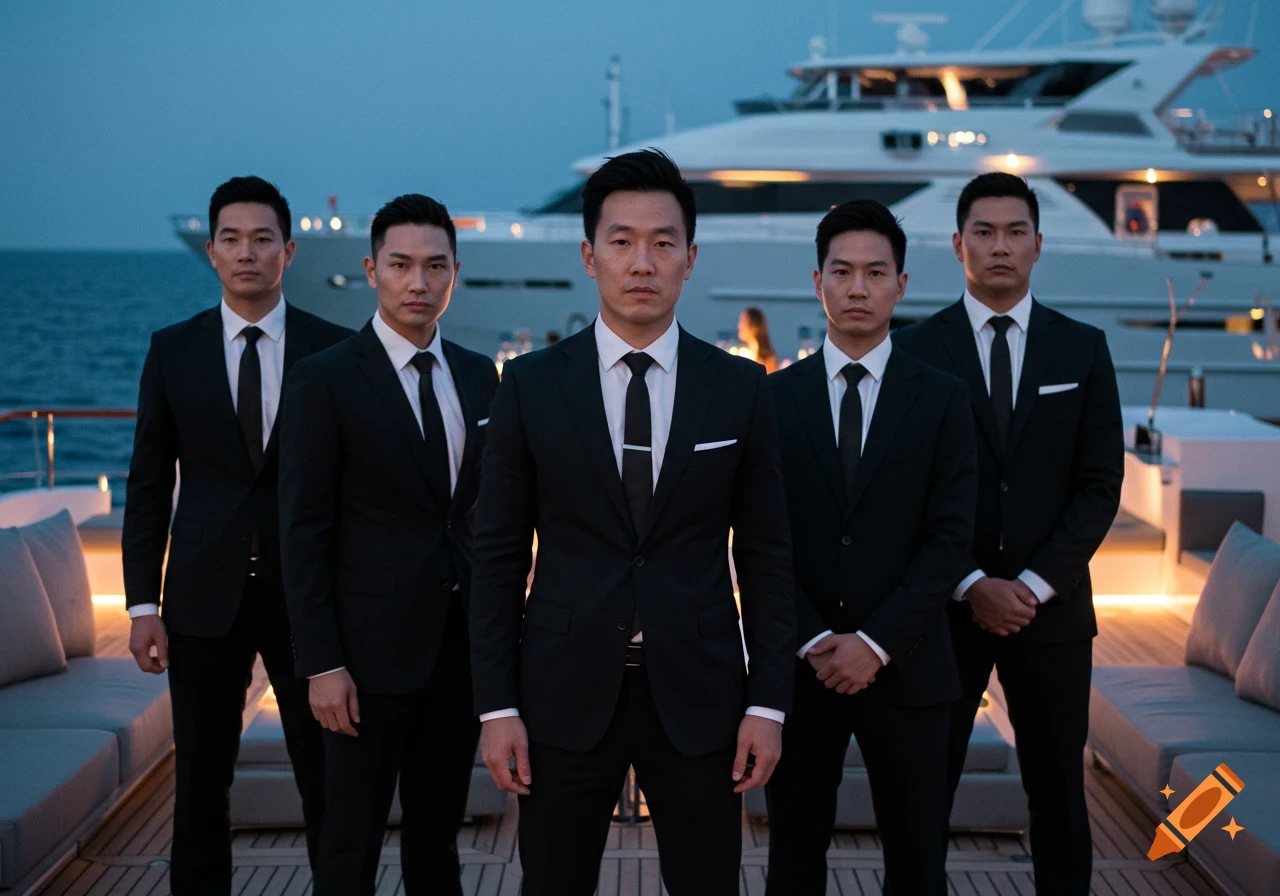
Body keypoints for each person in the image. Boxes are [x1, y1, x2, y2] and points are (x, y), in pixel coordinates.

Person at [469, 148, 796, 896]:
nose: (640, 261)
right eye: (620, 241)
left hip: (703, 693)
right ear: (590, 256)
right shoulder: (530, 385)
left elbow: (769, 558)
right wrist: (497, 706)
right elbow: (496, 556)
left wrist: (768, 703)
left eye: (662, 242)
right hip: (559, 692)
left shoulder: (740, 389)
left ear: (690, 257)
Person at [894, 173, 1123, 896]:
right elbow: (904, 491)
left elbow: (1099, 486)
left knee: (1058, 793)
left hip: (1049, 615)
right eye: (984, 233)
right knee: (925, 792)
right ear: (958, 245)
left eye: (1014, 231)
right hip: (943, 613)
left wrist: (1026, 586)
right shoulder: (916, 349)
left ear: (1038, 244)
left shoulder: (1081, 350)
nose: (1000, 246)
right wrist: (968, 582)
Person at [122, 176, 351, 895]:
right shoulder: (173, 350)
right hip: (200, 600)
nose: (246, 252)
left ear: (288, 250)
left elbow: (360, 489)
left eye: (261, 239)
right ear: (214, 251)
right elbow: (149, 483)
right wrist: (140, 605)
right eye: (230, 238)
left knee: (328, 782)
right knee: (200, 786)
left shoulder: (336, 350)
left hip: (309, 601)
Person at [277, 194, 499, 895]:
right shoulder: (326, 377)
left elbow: (480, 515)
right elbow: (302, 532)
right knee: (349, 847)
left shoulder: (476, 373)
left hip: (457, 652)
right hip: (362, 663)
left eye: (436, 266)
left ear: (454, 273)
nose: (418, 282)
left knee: (438, 840)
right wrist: (321, 663)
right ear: (372, 270)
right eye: (401, 265)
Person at [764, 200, 977, 895]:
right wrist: (820, 637)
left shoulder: (945, 399)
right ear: (817, 280)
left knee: (918, 863)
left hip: (912, 667)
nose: (858, 288)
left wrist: (875, 643)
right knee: (792, 858)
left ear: (902, 284)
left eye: (875, 273)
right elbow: (759, 540)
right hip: (801, 670)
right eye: (843, 271)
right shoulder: (771, 399)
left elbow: (951, 539)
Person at [739, 306, 779, 372]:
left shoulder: (767, 359)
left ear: (754, 326)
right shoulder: (743, 352)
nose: (739, 326)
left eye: (743, 321)